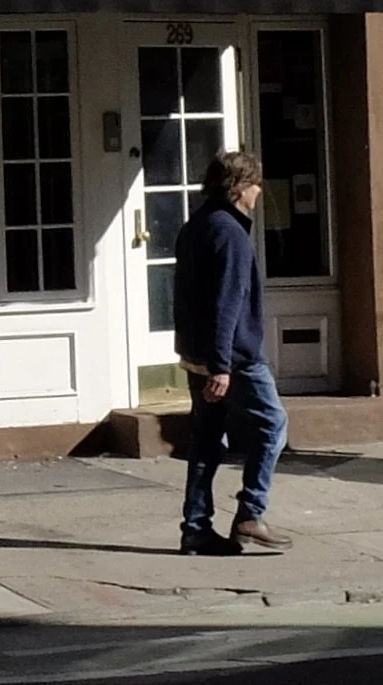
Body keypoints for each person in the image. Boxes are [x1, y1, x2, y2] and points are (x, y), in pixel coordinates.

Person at [172, 148, 291, 556]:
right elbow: (227, 303)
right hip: (233, 359)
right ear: (240, 188)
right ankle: (250, 514)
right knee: (273, 425)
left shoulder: (197, 225)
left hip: (196, 353)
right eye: (256, 185)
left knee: (206, 439)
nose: (259, 192)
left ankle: (195, 528)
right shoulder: (230, 233)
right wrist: (221, 366)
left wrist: (201, 357)